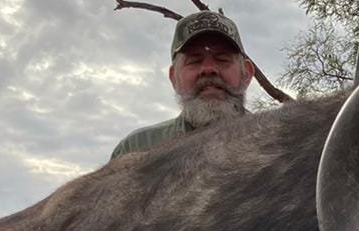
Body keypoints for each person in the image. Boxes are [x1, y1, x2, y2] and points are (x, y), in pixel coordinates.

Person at [110, 9, 258, 160]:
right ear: (174, 78)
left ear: (246, 73)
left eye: (222, 59)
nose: (208, 69)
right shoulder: (135, 148)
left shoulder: (278, 144)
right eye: (194, 61)